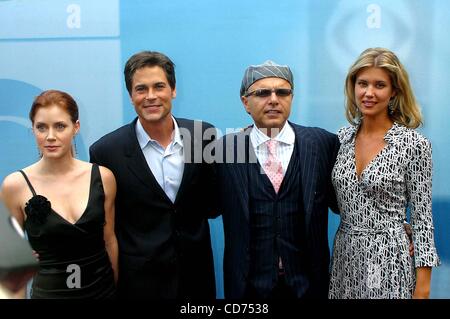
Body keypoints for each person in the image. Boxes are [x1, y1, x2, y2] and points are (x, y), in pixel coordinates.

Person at [89, 51, 217, 299]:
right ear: (130, 95)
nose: (150, 96)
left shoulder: (203, 136)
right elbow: (100, 223)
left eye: (159, 86)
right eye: (141, 89)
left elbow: (214, 204)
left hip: (196, 277)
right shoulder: (106, 151)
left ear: (173, 90)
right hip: (139, 283)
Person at [214, 60, 340, 298]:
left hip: (309, 285)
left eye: (282, 92)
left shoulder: (323, 143)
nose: (273, 99)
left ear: (291, 97)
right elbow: (203, 207)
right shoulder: (224, 150)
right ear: (245, 103)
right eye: (262, 93)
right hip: (248, 288)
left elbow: (349, 199)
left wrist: (399, 228)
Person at [329, 47, 440, 299]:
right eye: (362, 83)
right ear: (353, 86)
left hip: (389, 257)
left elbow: (423, 219)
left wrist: (423, 287)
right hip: (346, 256)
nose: (368, 93)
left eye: (379, 85)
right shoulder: (340, 139)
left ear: (394, 92)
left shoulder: (413, 144)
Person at [0, 90, 118, 299]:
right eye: (41, 127)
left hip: (103, 293)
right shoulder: (14, 186)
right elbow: (11, 265)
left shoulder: (103, 178)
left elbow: (109, 241)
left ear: (76, 127)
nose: (50, 136)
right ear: (33, 130)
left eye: (60, 126)